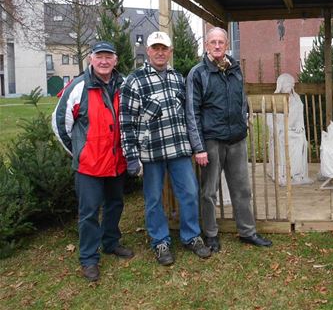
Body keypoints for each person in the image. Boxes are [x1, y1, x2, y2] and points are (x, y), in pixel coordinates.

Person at [120, 31, 211, 266]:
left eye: (164, 49)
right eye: (155, 48)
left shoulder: (178, 78)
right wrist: (131, 155)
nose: (160, 53)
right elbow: (126, 122)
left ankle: (191, 236)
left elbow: (189, 113)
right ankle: (160, 241)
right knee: (153, 199)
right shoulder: (135, 80)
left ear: (170, 52)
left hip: (179, 149)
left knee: (189, 194)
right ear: (148, 51)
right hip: (151, 152)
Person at [52, 41, 133, 282]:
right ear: (91, 59)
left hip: (116, 161)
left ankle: (111, 242)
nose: (104, 61)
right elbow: (59, 123)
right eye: (100, 57)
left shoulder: (124, 84)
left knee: (115, 204)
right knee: (88, 213)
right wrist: (78, 152)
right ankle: (88, 258)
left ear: (115, 60)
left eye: (109, 57)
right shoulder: (79, 87)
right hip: (89, 166)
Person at [186, 27, 272, 253]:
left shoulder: (235, 70)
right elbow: (191, 112)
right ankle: (211, 234)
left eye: (220, 42)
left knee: (242, 189)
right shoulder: (198, 73)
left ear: (226, 45)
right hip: (211, 141)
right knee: (209, 192)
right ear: (206, 46)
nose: (216, 46)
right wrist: (198, 147)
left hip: (237, 139)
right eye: (212, 42)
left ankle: (247, 232)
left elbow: (241, 99)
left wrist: (243, 120)